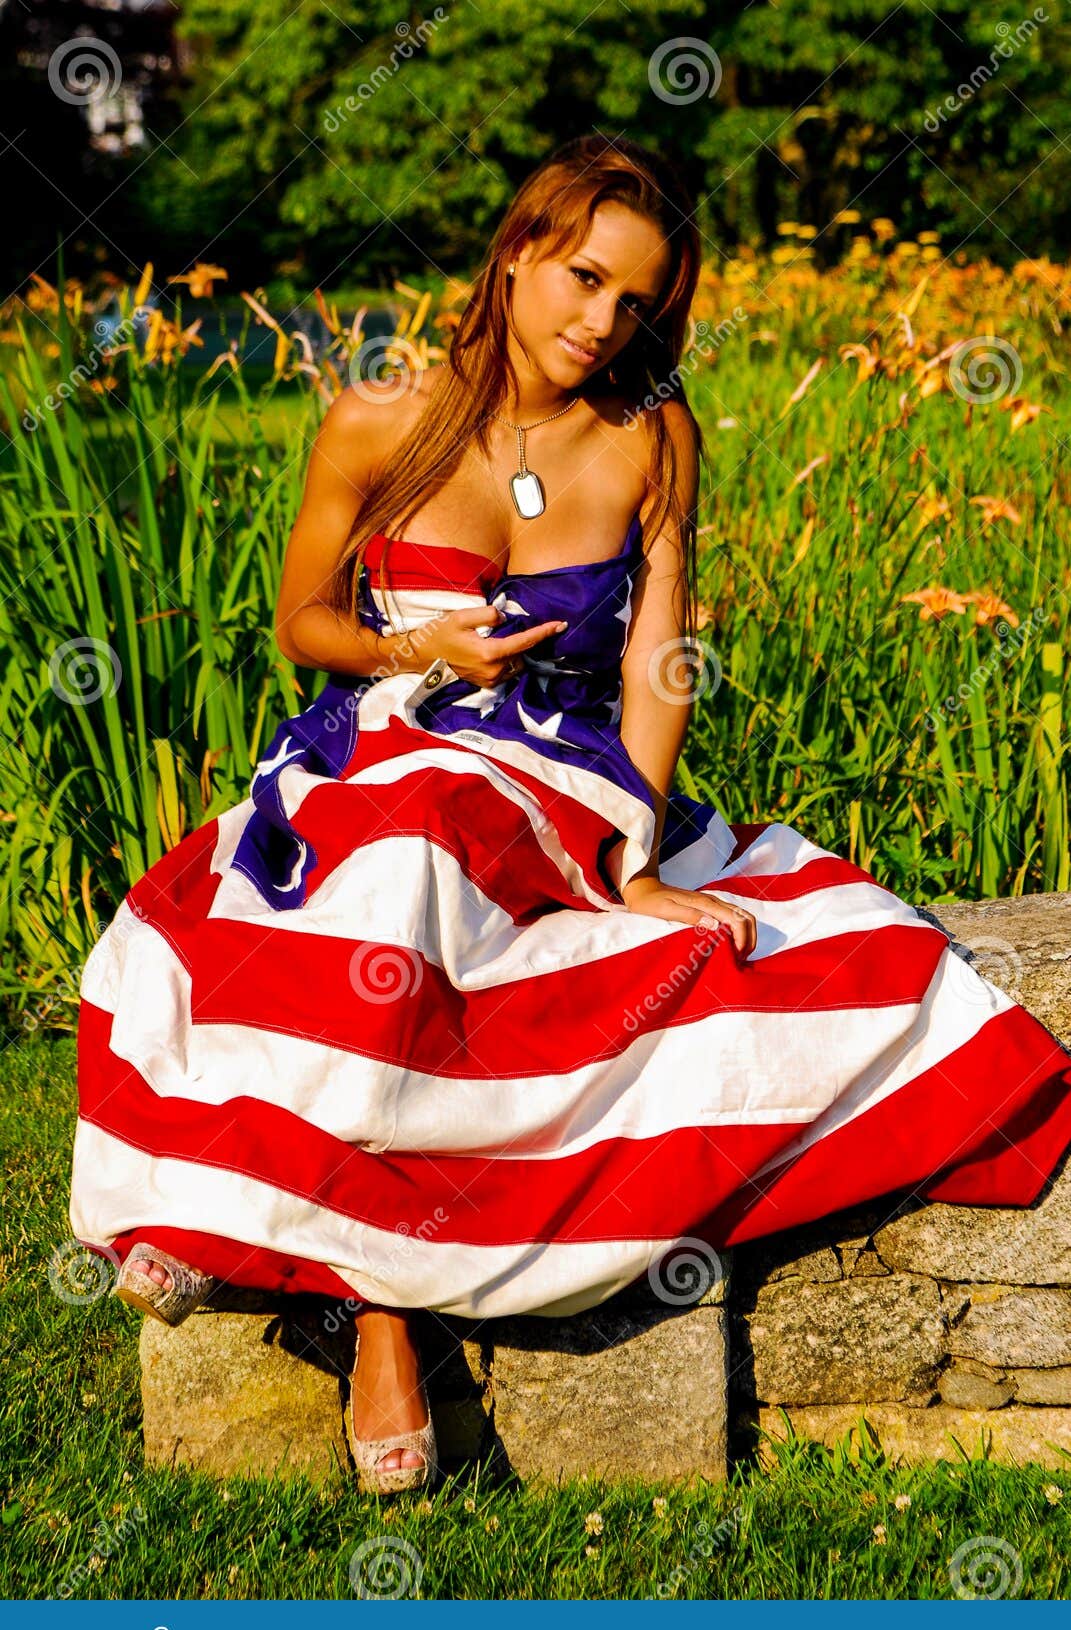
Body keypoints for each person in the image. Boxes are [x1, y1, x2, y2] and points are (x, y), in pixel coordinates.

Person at [69, 134, 1071, 1496]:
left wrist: (638, 855)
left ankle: (332, 1268)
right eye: (584, 277)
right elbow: (303, 621)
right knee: (402, 852)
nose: (599, 322)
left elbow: (661, 659)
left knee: (748, 936)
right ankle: (380, 1306)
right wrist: (417, 658)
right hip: (387, 746)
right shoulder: (379, 417)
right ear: (521, 248)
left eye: (635, 305)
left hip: (563, 783)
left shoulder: (654, 438)